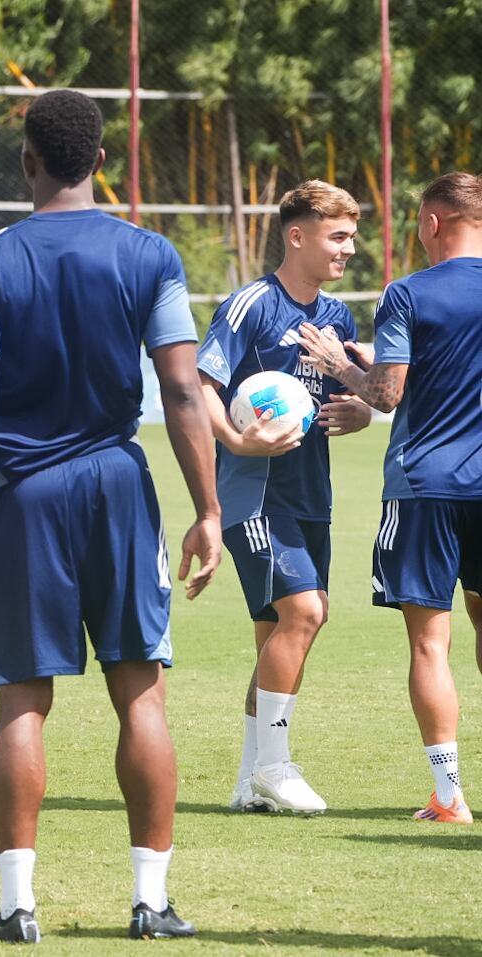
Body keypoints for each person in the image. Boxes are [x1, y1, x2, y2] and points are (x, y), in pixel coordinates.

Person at [0, 89, 220, 942]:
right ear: (102, 161)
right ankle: (151, 902)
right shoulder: (150, 253)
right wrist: (208, 508)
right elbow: (182, 388)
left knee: (21, 702)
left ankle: (17, 909)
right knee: (141, 692)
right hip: (119, 485)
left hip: (25, 496)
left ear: (27, 161)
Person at [296, 171, 482, 826]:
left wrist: (338, 365)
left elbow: (386, 392)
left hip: (425, 488)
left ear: (433, 223)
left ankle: (449, 796)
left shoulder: (409, 292)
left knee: (431, 643)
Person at [195, 181, 372, 815]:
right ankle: (275, 766)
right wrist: (235, 441)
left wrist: (358, 414)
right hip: (255, 495)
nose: (349, 249)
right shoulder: (251, 305)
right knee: (305, 612)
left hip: (311, 497)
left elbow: (350, 400)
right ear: (297, 236)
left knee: (281, 631)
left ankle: (249, 780)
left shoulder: (337, 317)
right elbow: (200, 386)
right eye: (338, 236)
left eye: (352, 237)